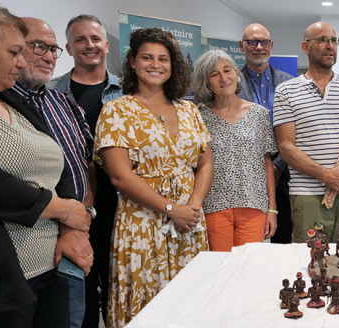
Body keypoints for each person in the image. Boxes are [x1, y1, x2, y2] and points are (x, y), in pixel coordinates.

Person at [94, 27, 213, 327]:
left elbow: (205, 163)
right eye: (147, 57)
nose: (155, 64)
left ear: (173, 66)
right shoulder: (116, 110)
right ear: (132, 62)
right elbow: (120, 176)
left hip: (190, 222)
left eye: (163, 59)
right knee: (148, 305)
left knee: (192, 301)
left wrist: (193, 208)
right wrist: (171, 209)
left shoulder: (189, 110)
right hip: (142, 224)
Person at [0, 6, 90, 327]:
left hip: (53, 261)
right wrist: (62, 210)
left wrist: (71, 223)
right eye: (16, 51)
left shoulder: (23, 102)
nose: (22, 61)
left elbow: (66, 164)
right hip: (10, 276)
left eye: (52, 49)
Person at [49, 15, 124, 326]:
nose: (89, 45)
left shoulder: (127, 92)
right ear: (68, 47)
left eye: (95, 39)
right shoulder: (50, 93)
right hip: (72, 208)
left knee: (118, 286)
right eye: (80, 40)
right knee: (78, 287)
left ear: (106, 45)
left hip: (122, 203)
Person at [273, 21, 339, 243]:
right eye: (322, 40)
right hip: (308, 193)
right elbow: (286, 147)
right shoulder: (286, 91)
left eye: (334, 41)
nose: (330, 46)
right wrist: (325, 175)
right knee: (310, 261)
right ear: (305, 47)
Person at [192, 49, 277, 249]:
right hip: (214, 206)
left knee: (248, 269)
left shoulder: (259, 114)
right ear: (207, 82)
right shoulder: (199, 118)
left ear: (236, 74)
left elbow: (267, 165)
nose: (223, 78)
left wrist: (272, 209)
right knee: (220, 269)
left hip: (253, 204)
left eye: (227, 70)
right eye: (215, 74)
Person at [237, 23, 294, 243]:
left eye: (264, 42)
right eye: (252, 41)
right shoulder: (230, 84)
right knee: (251, 244)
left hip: (287, 176)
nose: (259, 46)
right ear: (242, 46)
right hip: (248, 177)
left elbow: (297, 131)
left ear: (271, 45)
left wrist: (278, 165)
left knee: (285, 241)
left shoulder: (290, 83)